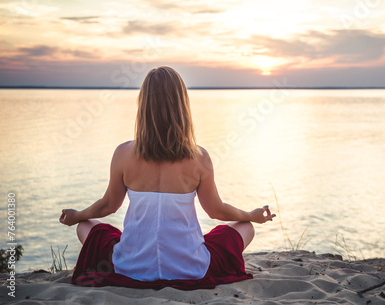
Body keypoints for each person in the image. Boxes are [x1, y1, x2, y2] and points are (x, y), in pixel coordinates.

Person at [59, 66, 275, 289]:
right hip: (190, 269)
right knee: (246, 227)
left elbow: (108, 206)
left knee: (86, 226)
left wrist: (78, 215)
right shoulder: (199, 157)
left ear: (143, 105)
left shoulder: (123, 154)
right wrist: (251, 215)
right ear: (181, 105)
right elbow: (216, 211)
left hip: (131, 267)